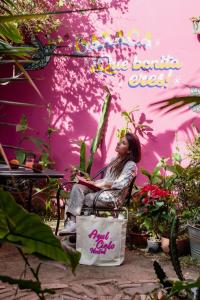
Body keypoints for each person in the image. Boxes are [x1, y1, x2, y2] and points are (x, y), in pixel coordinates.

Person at [59, 132, 141, 234]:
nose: (119, 143)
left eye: (123, 143)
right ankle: (72, 224)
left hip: (112, 197)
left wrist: (101, 184)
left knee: (82, 198)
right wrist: (92, 182)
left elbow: (121, 184)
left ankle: (77, 227)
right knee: (77, 187)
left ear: (129, 150)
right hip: (101, 191)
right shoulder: (114, 160)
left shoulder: (131, 165)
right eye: (120, 141)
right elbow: (106, 180)